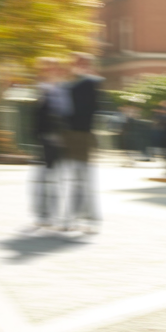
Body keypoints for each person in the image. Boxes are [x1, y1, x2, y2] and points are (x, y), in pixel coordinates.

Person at [61, 52, 101, 233]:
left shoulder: (91, 83)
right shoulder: (69, 85)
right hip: (70, 136)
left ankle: (87, 220)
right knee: (75, 180)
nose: (78, 65)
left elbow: (87, 108)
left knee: (83, 179)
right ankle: (75, 218)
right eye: (76, 62)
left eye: (83, 63)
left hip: (82, 137)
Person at [31, 58, 68, 226]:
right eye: (46, 68)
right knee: (43, 177)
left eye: (52, 68)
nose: (48, 71)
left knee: (55, 178)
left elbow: (64, 115)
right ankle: (43, 214)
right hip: (44, 139)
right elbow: (37, 117)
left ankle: (52, 214)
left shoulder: (61, 91)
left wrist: (60, 135)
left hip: (57, 139)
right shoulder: (41, 89)